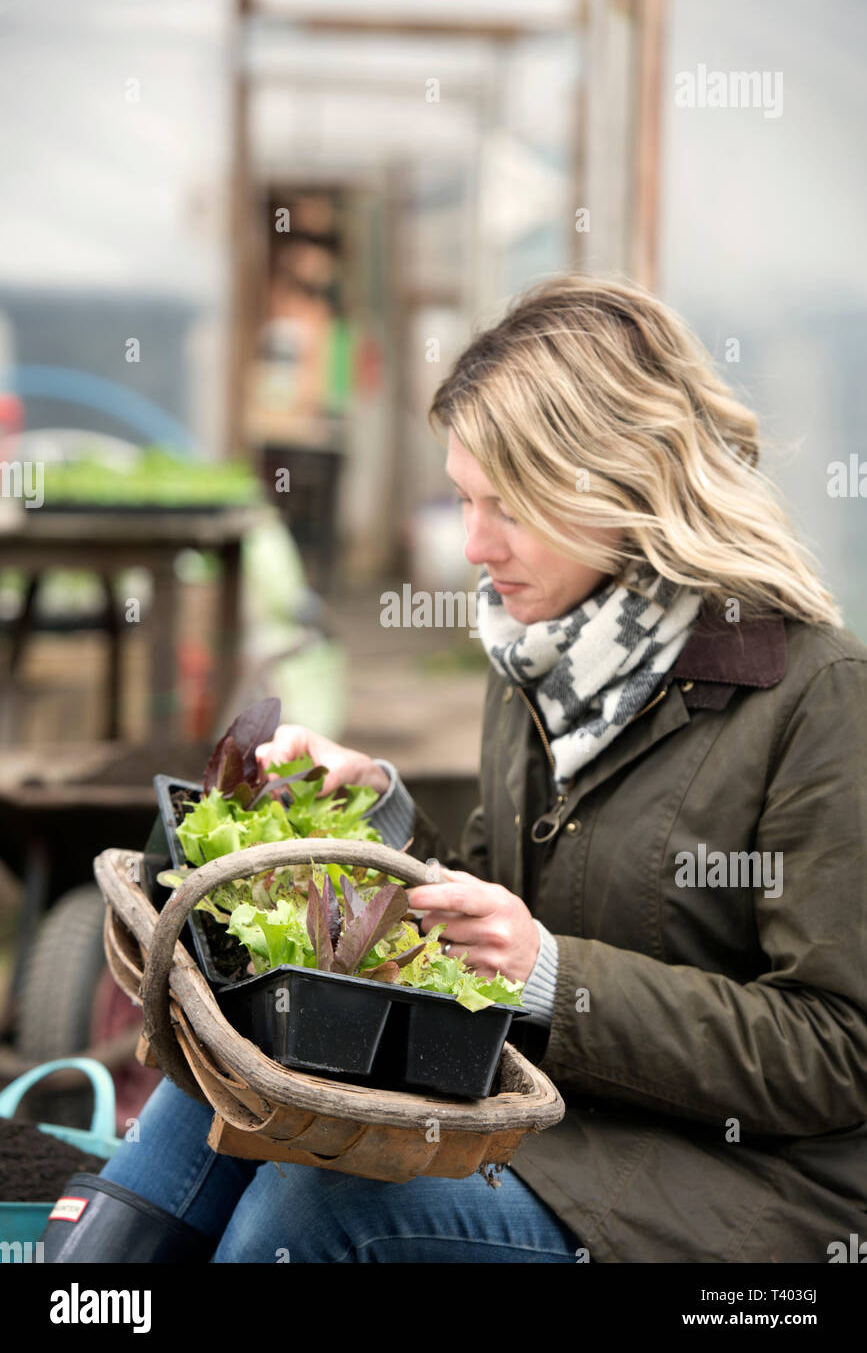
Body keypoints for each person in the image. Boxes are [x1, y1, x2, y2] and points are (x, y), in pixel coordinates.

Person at [82, 273, 867, 1262]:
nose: (475, 546)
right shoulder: (541, 654)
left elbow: (840, 1052)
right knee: (215, 1088)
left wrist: (551, 975)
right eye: (462, 498)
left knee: (313, 1214)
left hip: (736, 1187)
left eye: (511, 504)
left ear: (623, 479)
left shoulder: (815, 693)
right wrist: (380, 820)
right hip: (545, 1114)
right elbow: (494, 907)